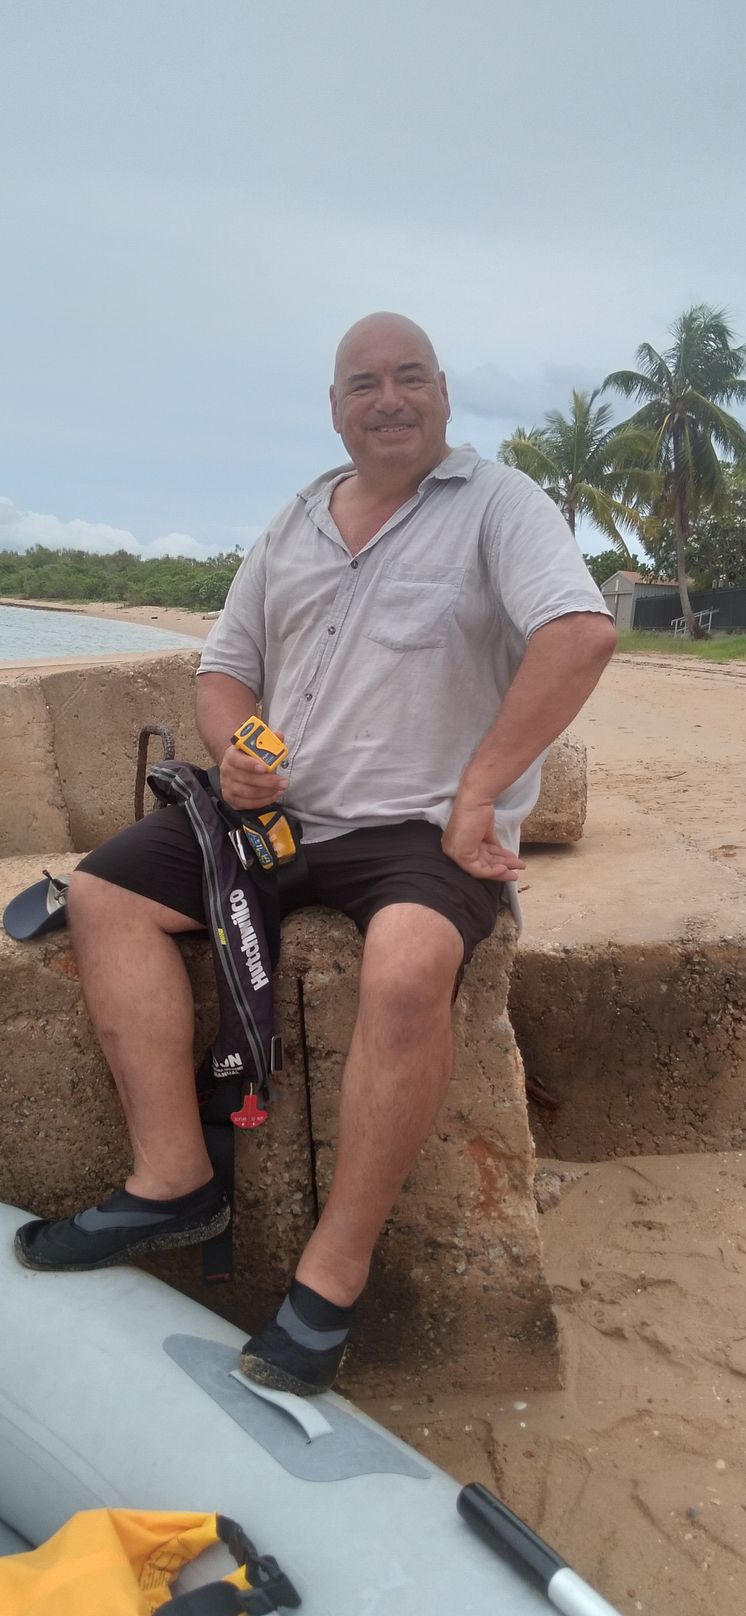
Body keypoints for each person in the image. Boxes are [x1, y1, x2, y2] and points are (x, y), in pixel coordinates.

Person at [14, 313, 616, 1395]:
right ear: (333, 407)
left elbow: (578, 632)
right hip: (279, 819)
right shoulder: (292, 519)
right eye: (361, 383)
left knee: (403, 969)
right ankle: (172, 1175)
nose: (386, 397)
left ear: (440, 393)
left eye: (407, 377)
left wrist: (479, 794)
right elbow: (224, 670)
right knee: (103, 889)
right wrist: (236, 748)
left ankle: (329, 1277)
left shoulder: (497, 502)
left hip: (419, 830)